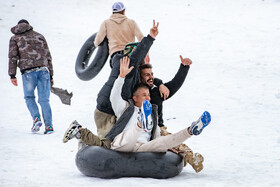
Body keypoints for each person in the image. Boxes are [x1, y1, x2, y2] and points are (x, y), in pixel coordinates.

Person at [63, 56, 211, 157]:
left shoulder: (153, 112)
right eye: (144, 95)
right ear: (135, 98)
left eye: (148, 95)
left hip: (143, 146)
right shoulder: (126, 108)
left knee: (165, 141)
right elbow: (115, 94)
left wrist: (163, 145)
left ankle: (192, 129)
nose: (148, 97)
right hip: (123, 143)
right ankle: (141, 123)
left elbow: (157, 135)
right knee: (132, 134)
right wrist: (121, 76)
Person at [94, 20, 159, 138]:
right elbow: (136, 56)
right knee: (106, 143)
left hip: (113, 107)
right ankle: (81, 136)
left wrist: (161, 85)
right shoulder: (126, 64)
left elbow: (149, 80)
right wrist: (150, 38)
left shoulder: (131, 69)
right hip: (107, 109)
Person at [139, 60, 205, 172]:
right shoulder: (135, 92)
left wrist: (184, 68)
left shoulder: (155, 92)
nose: (151, 77)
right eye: (146, 75)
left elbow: (174, 85)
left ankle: (191, 158)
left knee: (172, 140)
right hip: (141, 129)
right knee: (167, 142)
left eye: (152, 74)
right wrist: (159, 83)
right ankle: (188, 157)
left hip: (159, 128)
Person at [8, 19, 54, 134]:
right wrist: (51, 75)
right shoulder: (39, 36)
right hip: (44, 71)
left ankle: (36, 119)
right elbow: (48, 56)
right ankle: (49, 127)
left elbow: (13, 57)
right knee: (44, 100)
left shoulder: (15, 38)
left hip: (28, 72)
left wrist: (12, 75)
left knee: (29, 97)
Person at [94, 1, 149, 66]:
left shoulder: (106, 23)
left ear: (113, 12)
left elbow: (98, 41)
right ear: (123, 11)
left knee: (119, 75)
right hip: (131, 53)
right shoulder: (131, 22)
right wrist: (146, 53)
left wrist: (96, 45)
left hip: (116, 55)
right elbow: (141, 38)